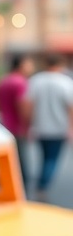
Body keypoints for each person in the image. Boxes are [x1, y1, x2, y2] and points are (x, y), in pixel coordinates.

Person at [22, 54, 73, 201]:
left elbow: (28, 105)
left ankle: (40, 183)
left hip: (40, 127)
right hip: (59, 128)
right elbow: (70, 108)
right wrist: (70, 128)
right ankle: (42, 185)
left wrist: (29, 124)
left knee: (43, 157)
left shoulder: (36, 80)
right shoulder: (65, 82)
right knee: (52, 159)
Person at [0, 55, 35, 187]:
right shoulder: (20, 82)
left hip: (3, 125)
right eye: (29, 64)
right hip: (17, 128)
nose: (31, 67)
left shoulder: (3, 81)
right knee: (21, 167)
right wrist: (27, 125)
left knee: (7, 163)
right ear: (21, 65)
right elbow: (22, 105)